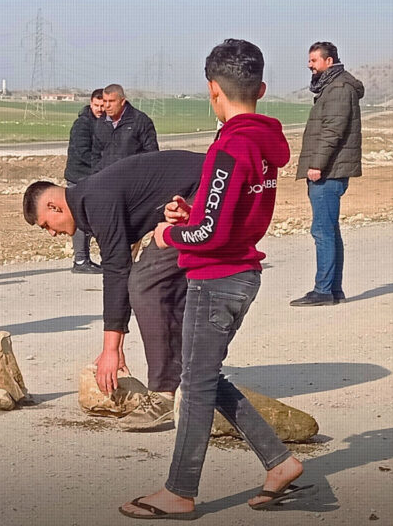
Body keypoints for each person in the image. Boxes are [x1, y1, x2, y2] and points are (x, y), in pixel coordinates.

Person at [119, 39, 309, 519]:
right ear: (261, 88)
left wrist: (168, 234)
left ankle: (179, 492)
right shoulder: (262, 143)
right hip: (238, 271)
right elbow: (219, 213)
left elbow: (209, 231)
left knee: (196, 386)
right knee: (204, 375)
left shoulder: (232, 145)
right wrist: (188, 212)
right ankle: (280, 462)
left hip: (218, 277)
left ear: (212, 91)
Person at [23, 150, 204, 426]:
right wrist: (114, 344)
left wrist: (112, 349)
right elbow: (122, 258)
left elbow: (117, 270)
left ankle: (165, 395)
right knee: (161, 288)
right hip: (203, 188)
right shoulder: (89, 198)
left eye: (47, 225)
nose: (51, 233)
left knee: (146, 284)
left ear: (54, 206)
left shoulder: (94, 199)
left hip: (204, 191)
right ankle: (190, 386)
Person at [290, 42, 364, 307]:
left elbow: (333, 130)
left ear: (329, 61)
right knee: (330, 230)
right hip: (330, 169)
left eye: (314, 60)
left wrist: (317, 164)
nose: (310, 65)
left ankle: (323, 290)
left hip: (328, 171)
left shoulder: (338, 89)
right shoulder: (332, 87)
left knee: (322, 231)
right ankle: (333, 289)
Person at [63, 89, 105, 274]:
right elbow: (83, 153)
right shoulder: (83, 124)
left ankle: (92, 259)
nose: (100, 109)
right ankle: (80, 260)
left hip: (92, 178)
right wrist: (103, 166)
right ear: (90, 103)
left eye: (103, 106)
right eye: (96, 105)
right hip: (79, 177)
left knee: (92, 221)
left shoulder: (103, 124)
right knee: (81, 220)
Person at [92, 83, 158, 172]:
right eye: (105, 101)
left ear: (122, 101)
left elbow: (152, 154)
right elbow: (96, 154)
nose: (107, 105)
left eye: (111, 101)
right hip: (107, 180)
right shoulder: (101, 122)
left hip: (131, 180)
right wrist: (97, 175)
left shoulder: (139, 121)